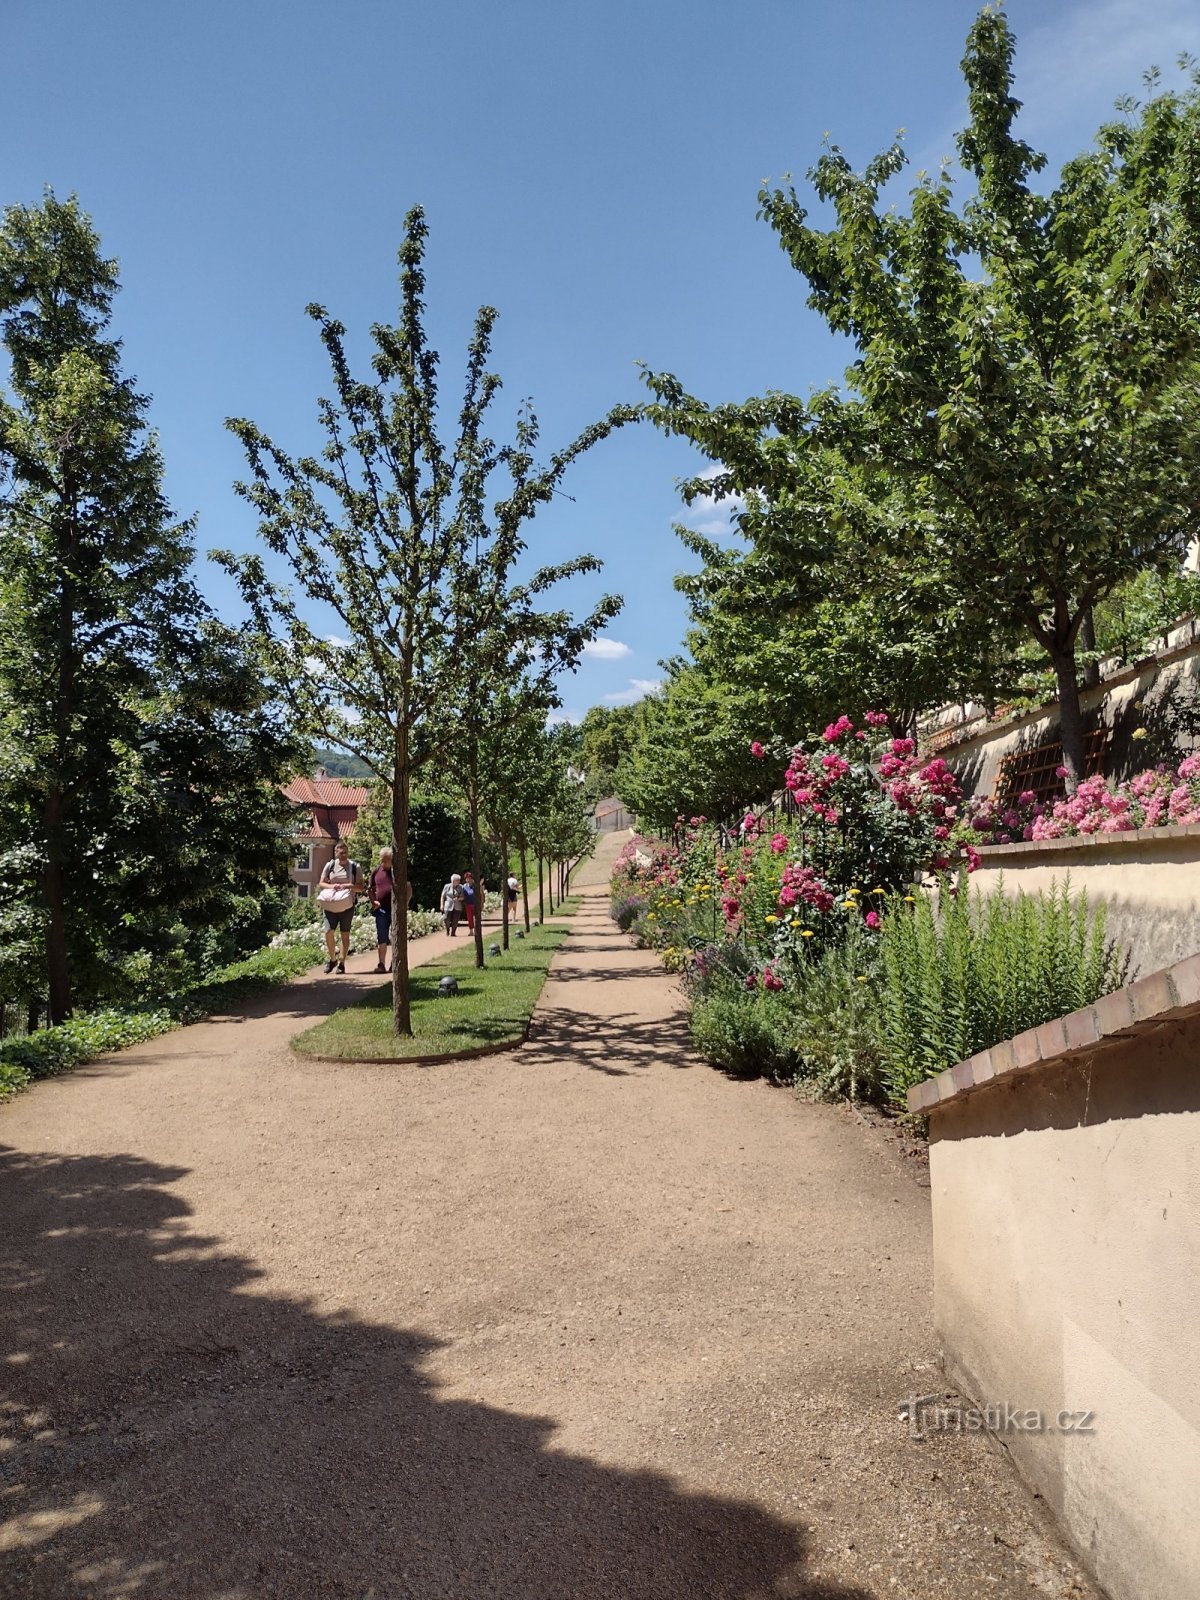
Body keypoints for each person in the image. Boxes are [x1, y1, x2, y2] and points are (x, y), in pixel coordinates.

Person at [317, 841, 363, 974]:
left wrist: (349, 886)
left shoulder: (355, 867)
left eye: (345, 853)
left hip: (347, 905)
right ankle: (332, 959)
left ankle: (342, 962)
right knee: (328, 932)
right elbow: (322, 882)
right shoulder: (330, 865)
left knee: (345, 934)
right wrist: (333, 886)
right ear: (335, 852)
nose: (343, 855)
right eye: (340, 853)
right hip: (331, 904)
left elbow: (360, 887)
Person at [369, 848, 395, 973]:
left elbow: (408, 887)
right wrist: (373, 901)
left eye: (384, 860)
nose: (381, 861)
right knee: (382, 937)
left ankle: (394, 963)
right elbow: (370, 888)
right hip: (382, 910)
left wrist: (405, 903)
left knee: (396, 936)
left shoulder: (397, 872)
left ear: (391, 860)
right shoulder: (376, 871)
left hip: (396, 909)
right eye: (381, 859)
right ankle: (381, 964)